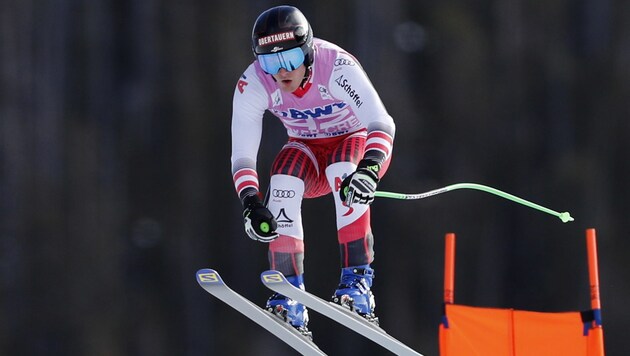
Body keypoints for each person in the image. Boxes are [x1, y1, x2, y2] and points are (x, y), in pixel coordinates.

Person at [231, 5, 395, 337]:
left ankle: (358, 285)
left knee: (342, 171)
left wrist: (369, 169)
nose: (280, 72)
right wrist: (251, 203)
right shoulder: (254, 82)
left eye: (289, 59)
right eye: (269, 62)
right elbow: (242, 155)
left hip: (354, 144)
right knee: (282, 178)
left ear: (307, 50)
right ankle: (289, 294)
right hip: (306, 148)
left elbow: (381, 122)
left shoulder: (335, 65)